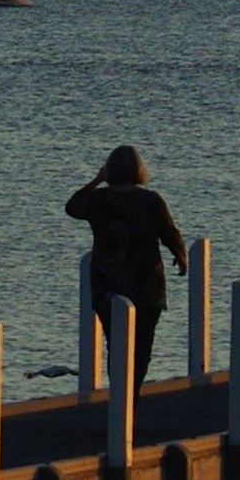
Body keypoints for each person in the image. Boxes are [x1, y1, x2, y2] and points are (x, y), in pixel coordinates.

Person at [65, 145, 186, 388]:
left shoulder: (99, 199)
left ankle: (119, 398)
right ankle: (131, 398)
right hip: (146, 284)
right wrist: (181, 256)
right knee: (141, 348)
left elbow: (73, 207)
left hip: (108, 282)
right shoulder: (151, 200)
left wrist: (97, 180)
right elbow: (169, 232)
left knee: (116, 345)